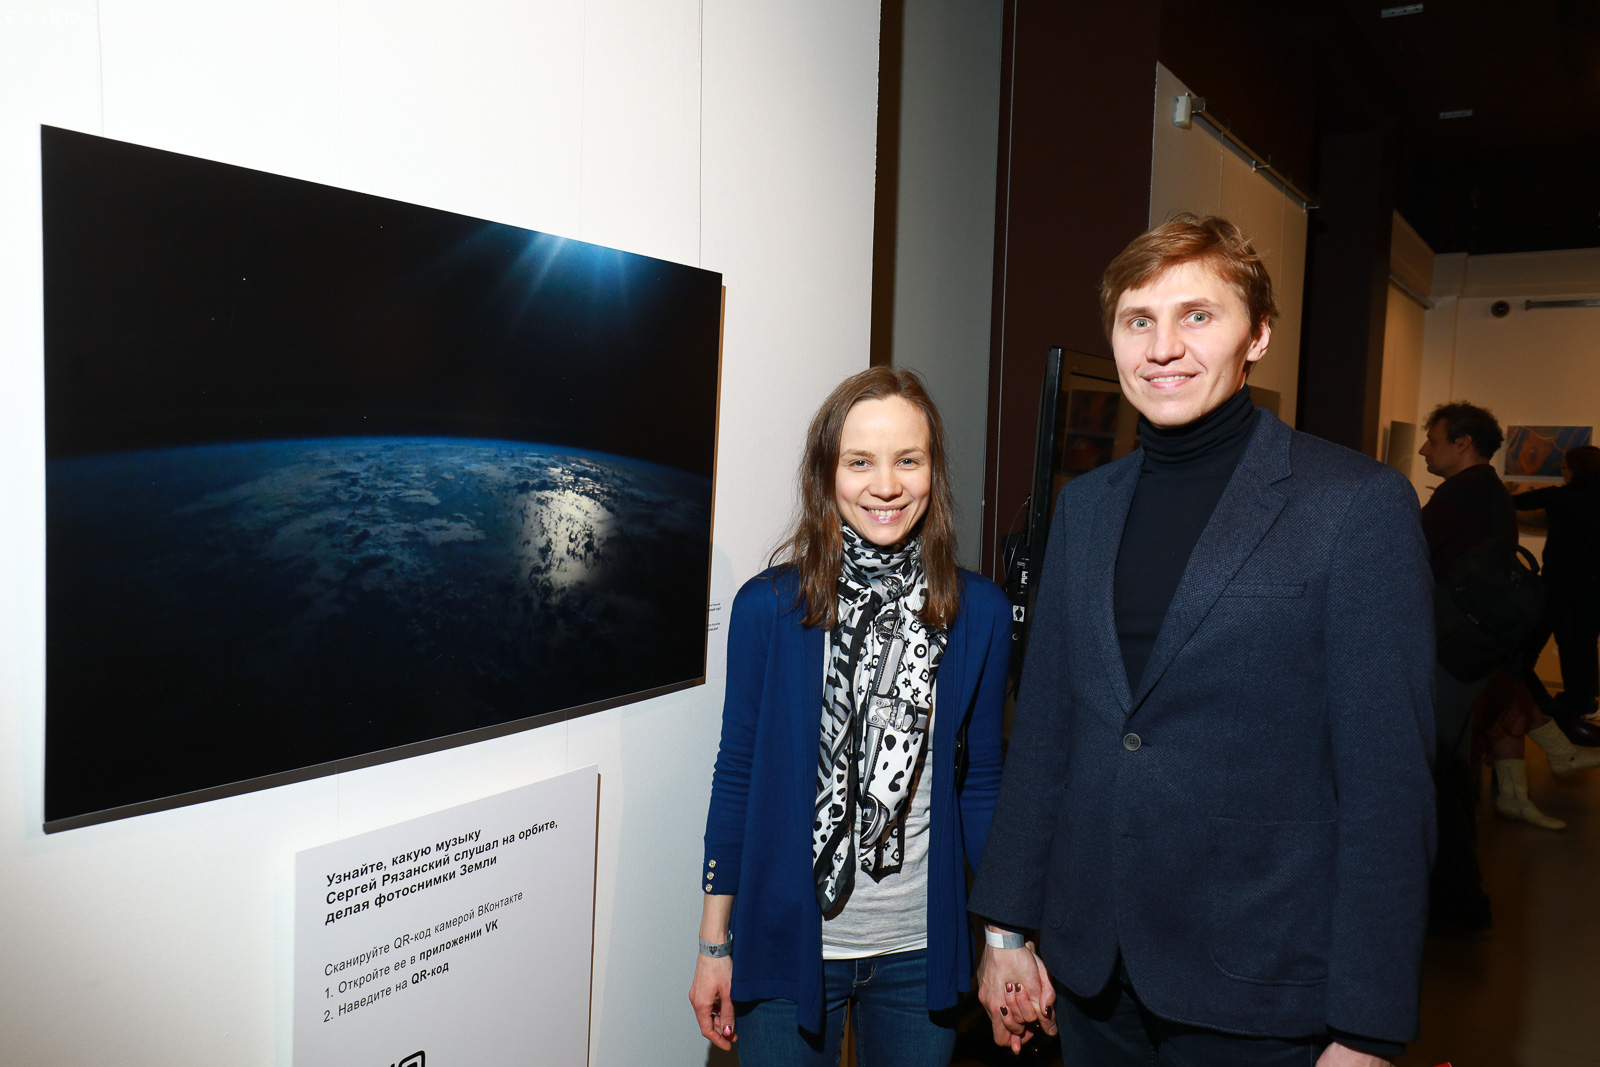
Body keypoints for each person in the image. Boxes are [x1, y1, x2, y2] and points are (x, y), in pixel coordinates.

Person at [968, 214, 1436, 1066]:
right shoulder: (1086, 507)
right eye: (1138, 320)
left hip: (1258, 982)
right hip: (1092, 974)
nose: (1163, 347)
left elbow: (1389, 787)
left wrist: (1368, 1025)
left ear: (1256, 335)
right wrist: (1006, 925)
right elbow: (1046, 734)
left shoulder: (1354, 506)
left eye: (1198, 316)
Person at [690, 367, 1012, 1065]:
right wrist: (715, 943)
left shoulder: (978, 611)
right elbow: (737, 776)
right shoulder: (768, 608)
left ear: (934, 471)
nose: (886, 485)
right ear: (826, 473)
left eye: (908, 459)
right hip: (784, 944)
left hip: (920, 951)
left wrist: (1005, 939)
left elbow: (982, 784)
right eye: (860, 460)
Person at [1513, 445, 1600, 723]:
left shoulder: (1560, 497)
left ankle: (1524, 697)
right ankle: (1581, 702)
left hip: (1558, 585)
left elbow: (1518, 504)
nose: (1562, 472)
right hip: (1593, 588)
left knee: (1528, 644)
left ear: (1576, 470)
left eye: (1564, 467)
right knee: (1582, 646)